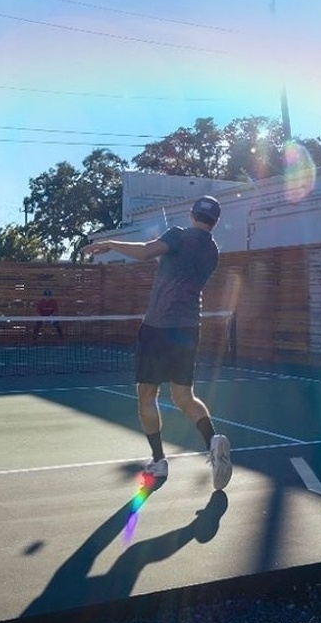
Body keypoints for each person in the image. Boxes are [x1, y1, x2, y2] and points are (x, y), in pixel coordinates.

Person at [80, 196, 232, 491]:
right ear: (215, 221)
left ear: (191, 214)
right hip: (189, 329)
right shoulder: (212, 251)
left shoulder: (178, 235)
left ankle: (159, 460)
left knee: (146, 394)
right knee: (184, 396)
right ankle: (212, 439)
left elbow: (146, 252)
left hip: (159, 326)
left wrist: (110, 244)